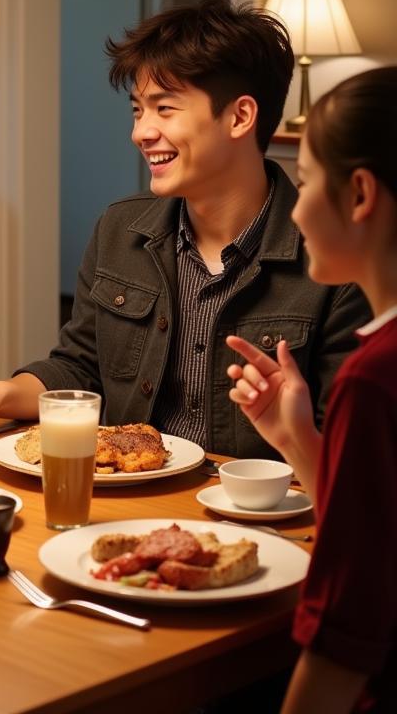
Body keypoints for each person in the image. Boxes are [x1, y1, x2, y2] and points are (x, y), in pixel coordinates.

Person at [0, 0, 369, 458]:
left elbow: (345, 446)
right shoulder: (120, 229)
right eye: (138, 110)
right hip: (128, 499)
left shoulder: (332, 259)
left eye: (165, 109)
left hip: (258, 517)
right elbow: (79, 368)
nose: (141, 132)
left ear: (240, 117)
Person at [226, 67, 397, 713]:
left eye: (306, 181)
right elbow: (377, 530)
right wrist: (299, 437)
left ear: (359, 195)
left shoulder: (374, 377)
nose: (294, 209)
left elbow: (346, 629)